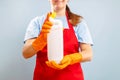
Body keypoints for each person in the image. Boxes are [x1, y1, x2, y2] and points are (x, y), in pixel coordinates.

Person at [22, 0, 93, 80]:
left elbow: (88, 54)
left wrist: (71, 59)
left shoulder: (78, 22)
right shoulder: (37, 22)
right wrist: (41, 40)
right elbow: (26, 53)